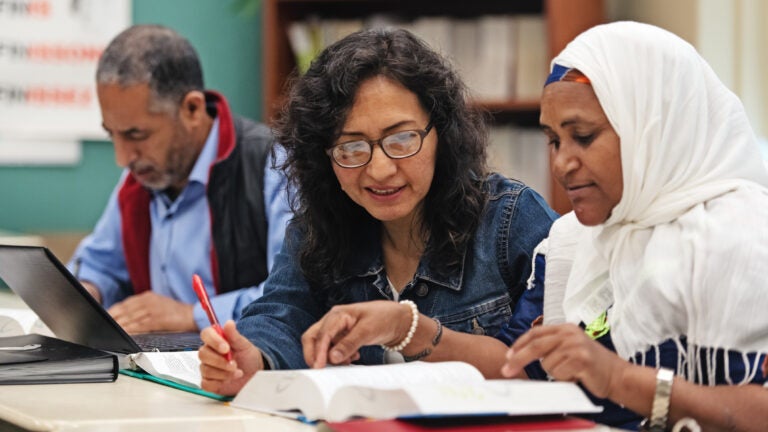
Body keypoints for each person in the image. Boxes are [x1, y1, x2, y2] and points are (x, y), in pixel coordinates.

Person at [198, 27, 558, 396]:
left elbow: (545, 367)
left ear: (442, 134)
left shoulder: (511, 219)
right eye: (351, 147)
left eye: (402, 139)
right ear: (323, 158)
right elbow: (282, 314)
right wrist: (253, 359)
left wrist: (408, 329)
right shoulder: (319, 226)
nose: (380, 170)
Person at [499, 22, 768, 431]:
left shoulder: (739, 238)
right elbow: (518, 363)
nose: (560, 164)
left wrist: (620, 379)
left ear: (653, 129)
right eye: (554, 140)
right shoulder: (574, 239)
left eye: (583, 137)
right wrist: (411, 328)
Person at [68, 25, 291, 334]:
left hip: (244, 371)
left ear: (192, 109)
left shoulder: (273, 167)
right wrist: (87, 292)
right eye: (112, 134)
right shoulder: (139, 177)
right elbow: (99, 265)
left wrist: (192, 315)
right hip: (154, 369)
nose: (123, 157)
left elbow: (291, 300)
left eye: (136, 134)